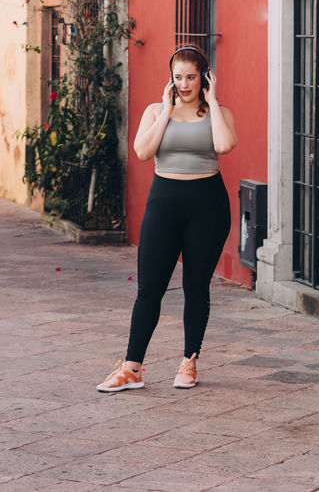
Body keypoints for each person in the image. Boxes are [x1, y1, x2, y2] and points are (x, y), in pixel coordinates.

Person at [97, 44, 238, 392]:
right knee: (149, 289)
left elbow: (223, 146)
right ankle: (131, 369)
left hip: (208, 206)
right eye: (179, 77)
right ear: (171, 79)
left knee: (195, 287)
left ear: (204, 77)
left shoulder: (219, 113)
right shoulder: (154, 111)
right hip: (164, 203)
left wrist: (215, 100)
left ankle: (189, 362)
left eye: (192, 77)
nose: (185, 84)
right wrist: (166, 111)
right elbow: (143, 152)